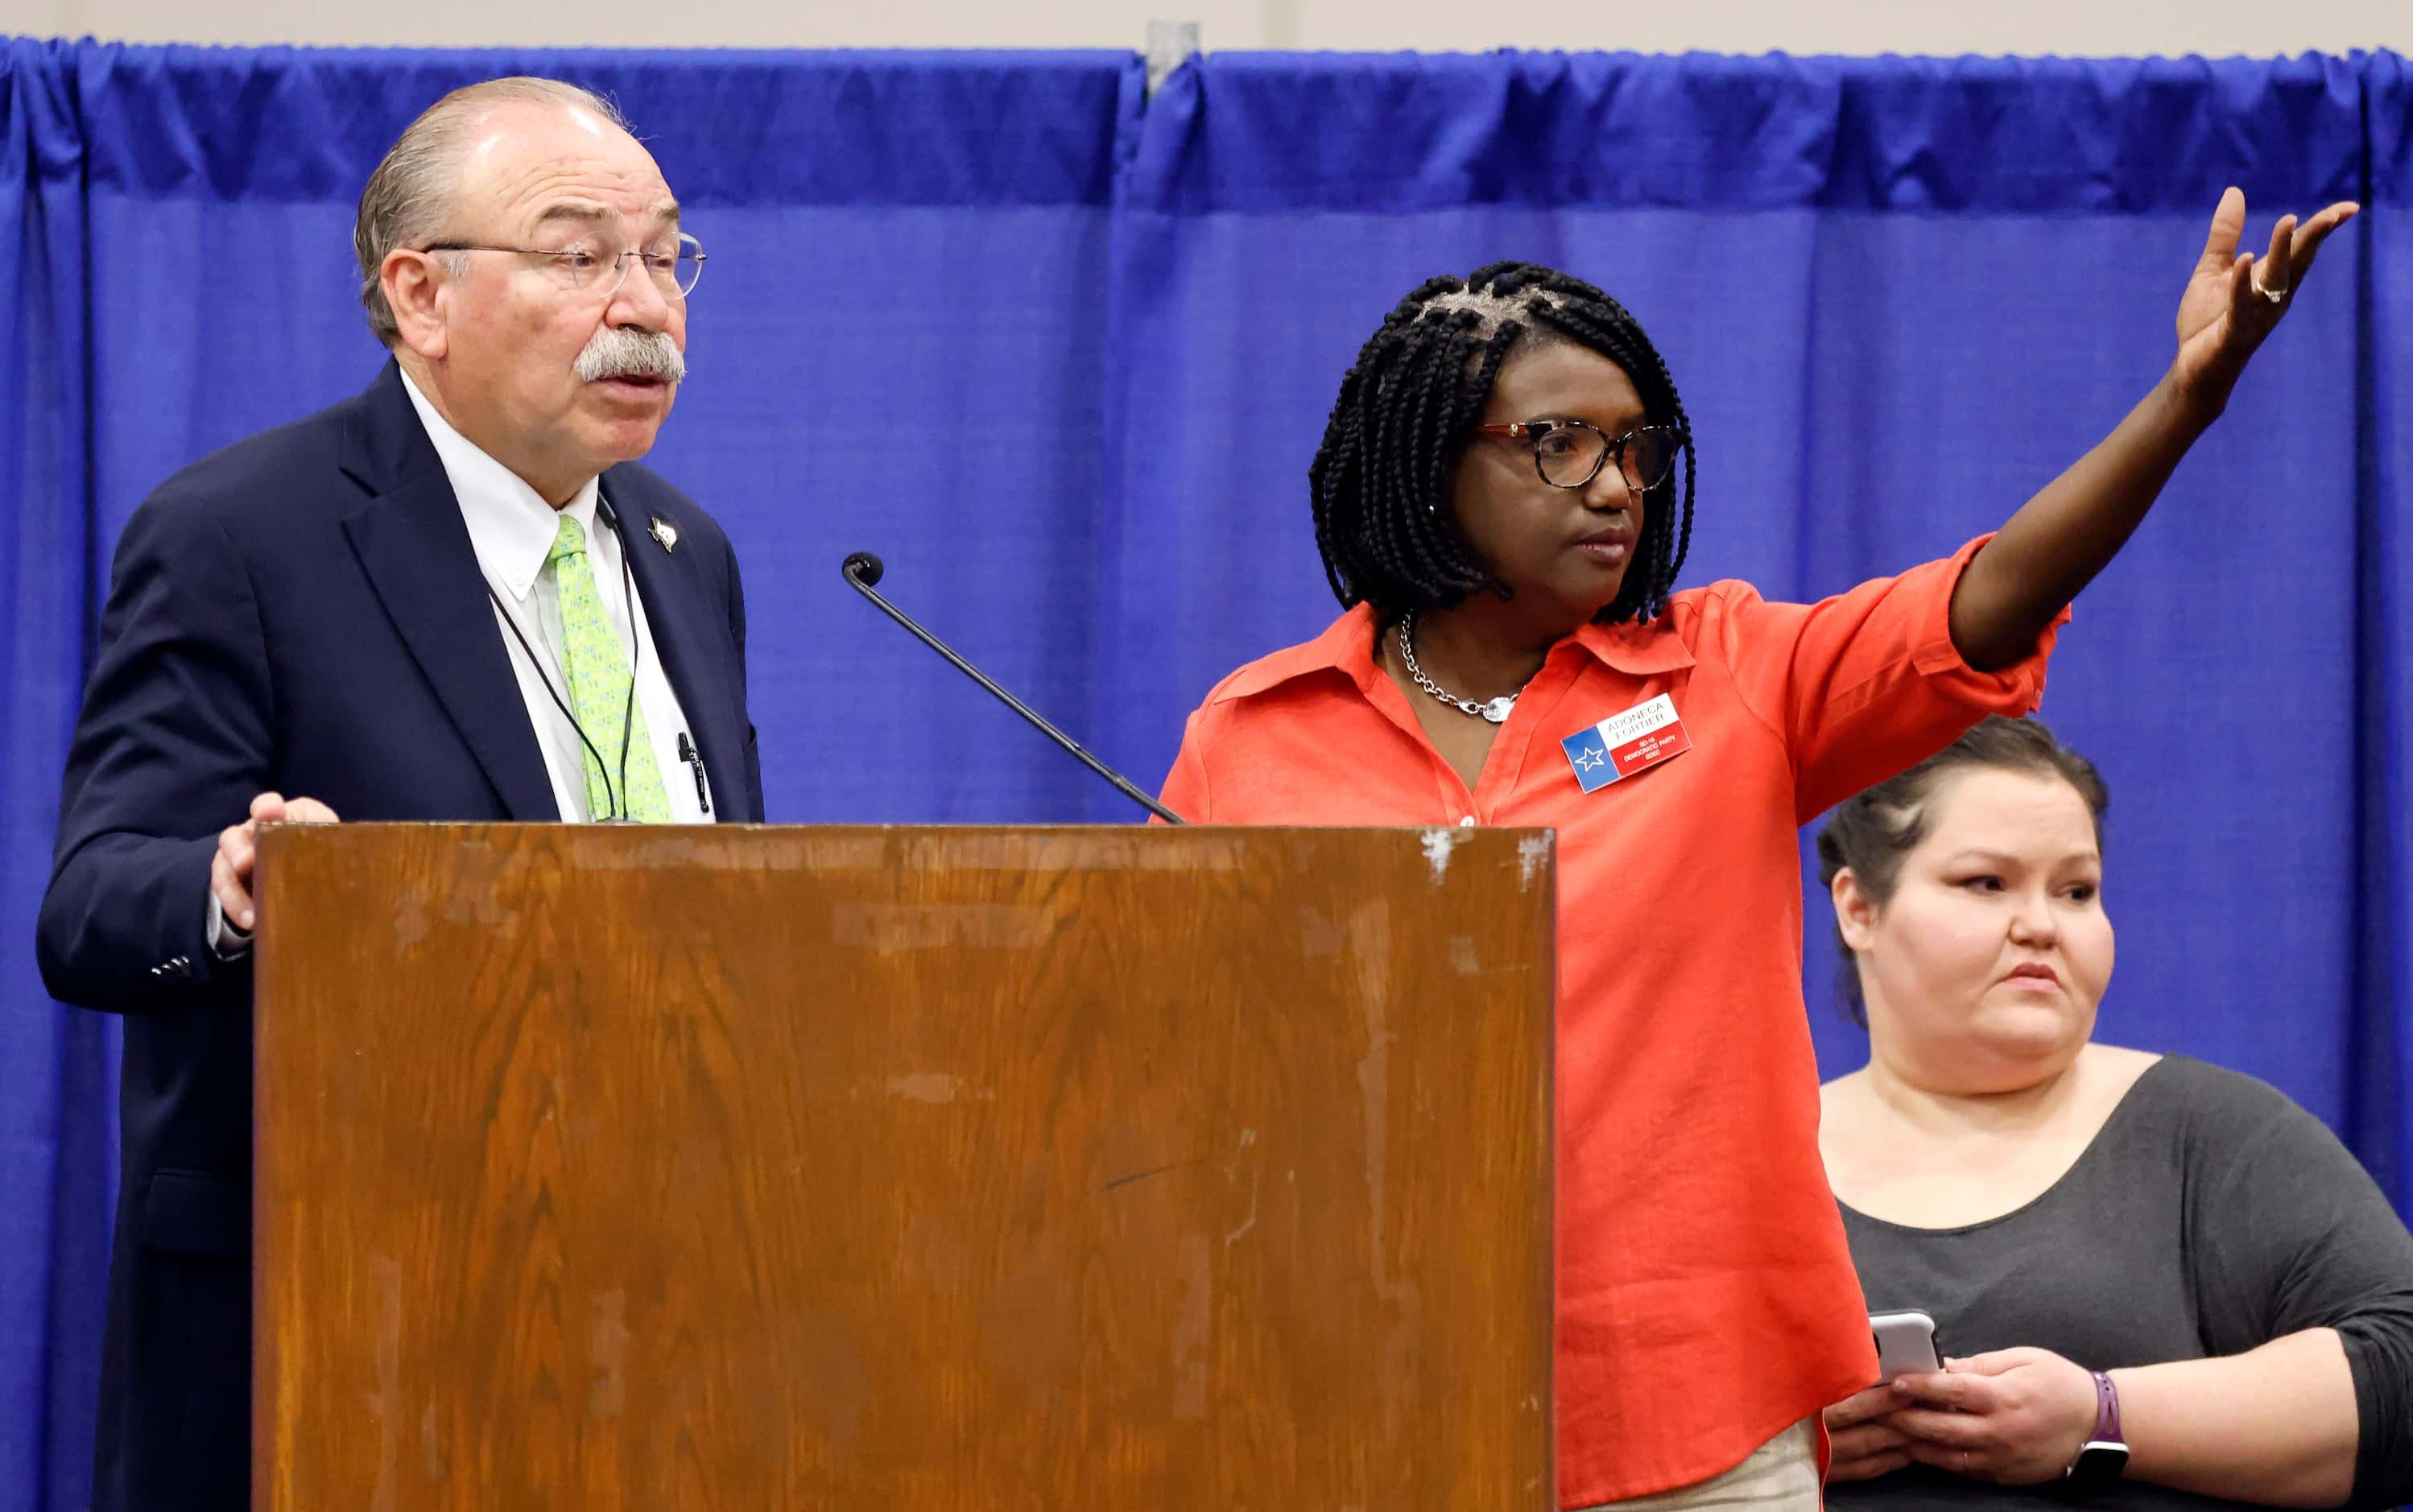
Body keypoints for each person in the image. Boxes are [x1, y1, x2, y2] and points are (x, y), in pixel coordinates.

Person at [1154, 190, 2355, 1510]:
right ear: (1433, 460)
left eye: (1636, 447)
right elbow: (1187, 1071)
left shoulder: (1734, 675)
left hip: (1694, 1429)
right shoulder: (1256, 733)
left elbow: (1988, 596)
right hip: (1363, 1409)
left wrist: (2181, 402)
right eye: (1557, 444)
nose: (1615, 486)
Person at [35, 76, 763, 1512]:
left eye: (664, 254)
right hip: (343, 1307)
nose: (646, 303)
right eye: (579, 255)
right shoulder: (243, 535)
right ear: (419, 294)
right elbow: (93, 901)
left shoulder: (687, 553)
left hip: (654, 1298)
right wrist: (235, 890)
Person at [1816, 716, 2413, 1510]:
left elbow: (2401, 1377)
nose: (2040, 924)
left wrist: (2100, 1416)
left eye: (2076, 891)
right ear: (1859, 909)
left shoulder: (2210, 1134)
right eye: (1986, 883)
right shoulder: (1749, 1160)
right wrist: (1761, 1437)